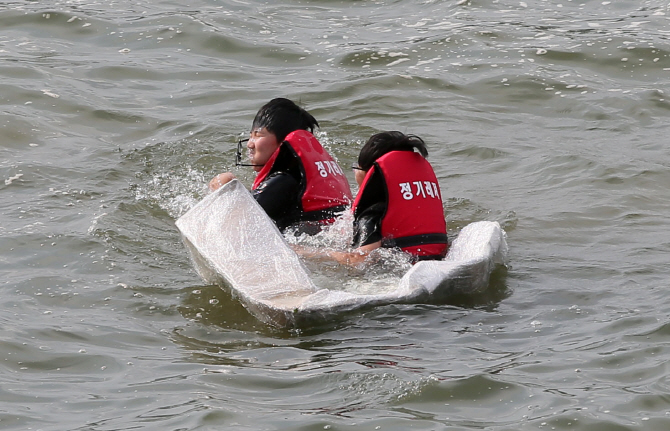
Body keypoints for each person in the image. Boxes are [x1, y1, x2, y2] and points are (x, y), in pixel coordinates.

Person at [209, 98, 352, 233]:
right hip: (325, 236)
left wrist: (223, 189)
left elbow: (240, 226)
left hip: (305, 247)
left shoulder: (283, 180)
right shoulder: (304, 175)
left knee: (226, 181)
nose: (249, 144)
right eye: (250, 135)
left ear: (284, 143)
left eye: (258, 135)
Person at [322, 131, 449, 265]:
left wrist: (311, 253)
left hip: (396, 271)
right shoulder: (418, 198)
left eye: (356, 168)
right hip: (435, 260)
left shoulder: (374, 209)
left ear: (371, 173)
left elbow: (358, 260)